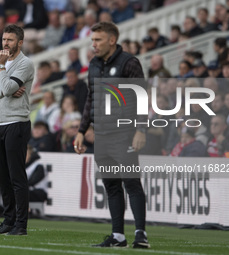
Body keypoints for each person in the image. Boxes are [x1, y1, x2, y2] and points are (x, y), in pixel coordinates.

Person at [74, 22, 149, 248]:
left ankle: (140, 235)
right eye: (92, 40)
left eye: (97, 40)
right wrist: (81, 130)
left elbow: (142, 97)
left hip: (125, 133)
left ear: (112, 40)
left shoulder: (129, 62)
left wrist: (141, 129)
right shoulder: (94, 65)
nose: (93, 45)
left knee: (131, 183)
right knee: (111, 186)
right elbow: (91, 99)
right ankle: (118, 236)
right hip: (102, 135)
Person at [0, 24, 34, 236]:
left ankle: (21, 224)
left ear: (20, 42)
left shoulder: (25, 64)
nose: (5, 43)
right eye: (4, 39)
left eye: (10, 40)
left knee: (17, 177)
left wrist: (2, 69)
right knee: (2, 176)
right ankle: (8, 220)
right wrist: (5, 90)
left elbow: (9, 87)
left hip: (16, 123)